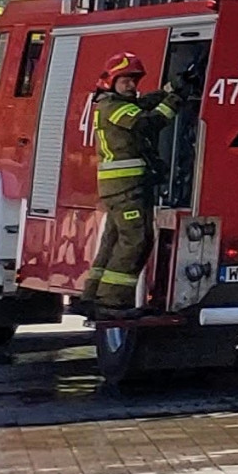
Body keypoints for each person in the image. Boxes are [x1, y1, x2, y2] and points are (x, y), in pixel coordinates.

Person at [73, 52, 185, 320]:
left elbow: (143, 104)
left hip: (123, 188)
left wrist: (168, 89)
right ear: (111, 82)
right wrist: (175, 99)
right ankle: (112, 303)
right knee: (136, 240)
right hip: (127, 188)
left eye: (134, 81)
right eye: (125, 81)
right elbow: (147, 122)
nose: (132, 86)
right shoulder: (113, 107)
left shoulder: (114, 104)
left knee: (113, 241)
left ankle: (92, 297)